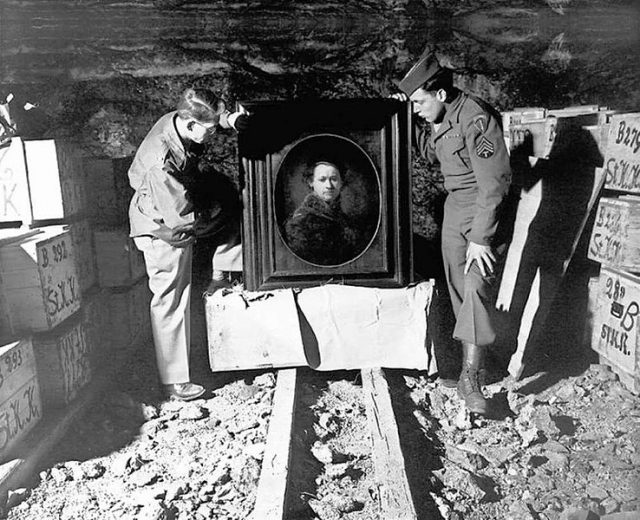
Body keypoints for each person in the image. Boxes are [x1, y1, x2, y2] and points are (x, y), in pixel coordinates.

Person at [397, 54, 512, 415]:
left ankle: (471, 379)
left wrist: (482, 236)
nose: (417, 109)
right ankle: (469, 365)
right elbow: (432, 154)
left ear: (442, 93)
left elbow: (495, 184)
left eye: (419, 102)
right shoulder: (443, 117)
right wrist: (406, 116)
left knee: (476, 288)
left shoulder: (476, 119)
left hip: (481, 212)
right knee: (459, 291)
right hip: (454, 211)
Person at [128, 87, 247, 401]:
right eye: (208, 131)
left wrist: (228, 121)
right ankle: (174, 381)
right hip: (161, 227)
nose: (210, 136)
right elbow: (181, 219)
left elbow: (207, 114)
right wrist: (217, 227)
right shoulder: (162, 160)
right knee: (171, 298)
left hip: (170, 205)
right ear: (191, 125)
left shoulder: (182, 119)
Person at [284, 160, 360, 266]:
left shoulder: (346, 220)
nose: (329, 185)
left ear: (341, 182)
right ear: (311, 182)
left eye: (334, 179)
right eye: (322, 180)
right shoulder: (301, 222)